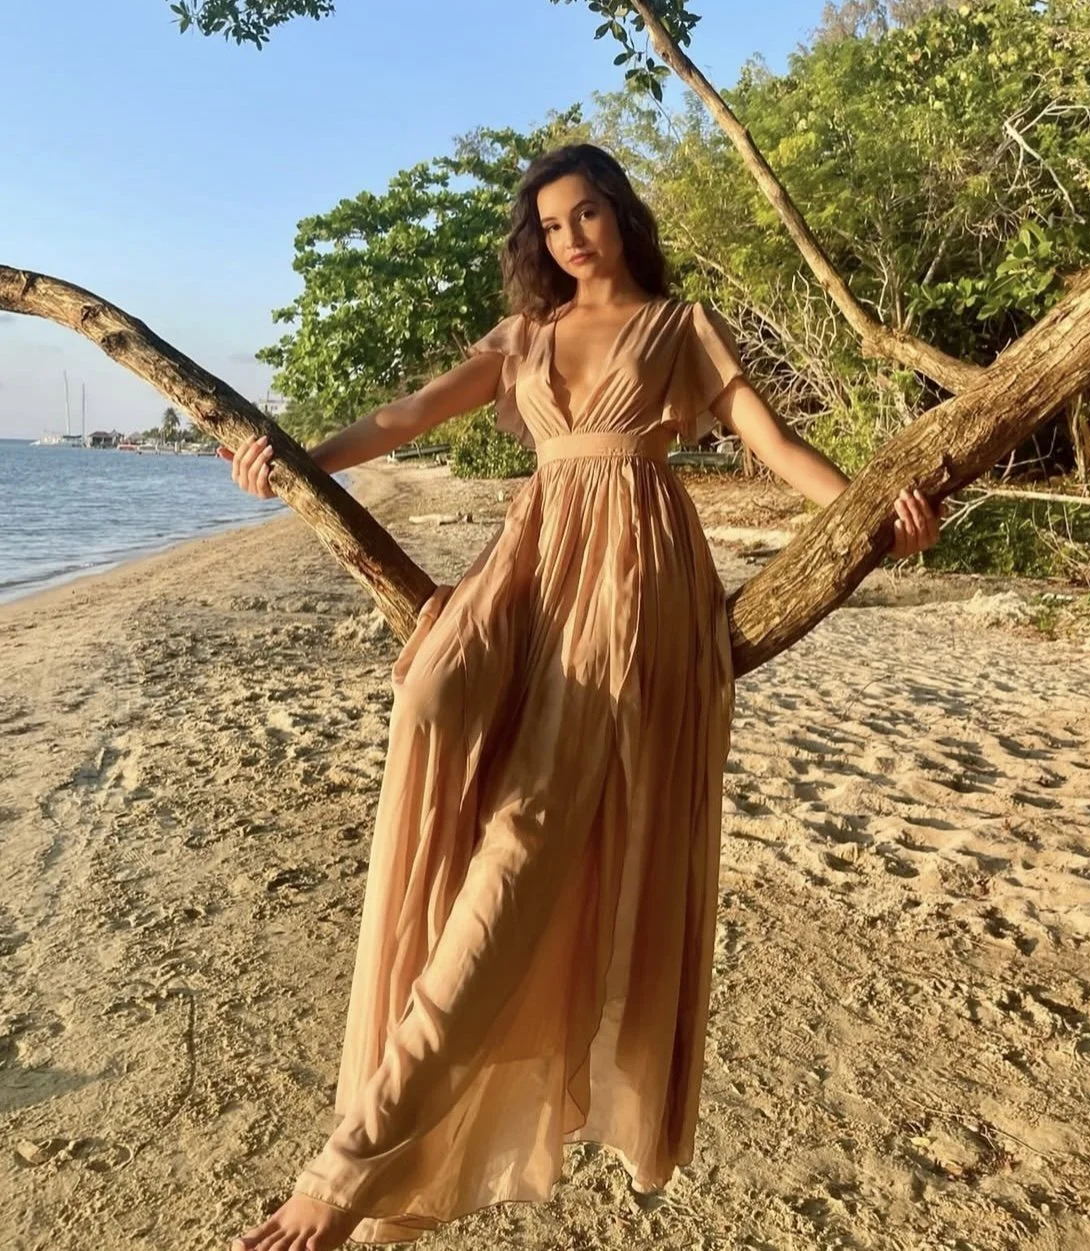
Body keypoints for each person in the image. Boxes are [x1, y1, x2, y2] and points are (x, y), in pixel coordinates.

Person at [220, 143, 943, 1250]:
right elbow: (411, 412)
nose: (572, 237)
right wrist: (297, 460)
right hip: (532, 561)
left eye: (589, 212)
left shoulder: (680, 326)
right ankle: (405, 1112)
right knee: (428, 703)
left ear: (623, 216)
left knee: (526, 838)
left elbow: (774, 442)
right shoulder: (525, 338)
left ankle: (355, 1162)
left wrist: (872, 520)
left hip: (634, 576)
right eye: (552, 225)